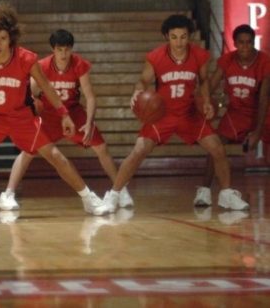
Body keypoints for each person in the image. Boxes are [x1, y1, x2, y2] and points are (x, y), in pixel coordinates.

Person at [0, 3, 110, 216]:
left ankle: (88, 198)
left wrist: (64, 114)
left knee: (56, 156)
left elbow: (46, 87)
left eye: (3, 38)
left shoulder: (26, 58)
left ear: (11, 38)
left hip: (22, 118)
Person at [103, 14, 249, 212]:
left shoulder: (199, 55)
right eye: (174, 37)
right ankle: (113, 195)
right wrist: (138, 91)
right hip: (162, 114)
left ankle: (226, 195)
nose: (179, 42)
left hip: (189, 113)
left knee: (217, 148)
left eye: (183, 37)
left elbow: (204, 80)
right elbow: (144, 80)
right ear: (166, 37)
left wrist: (206, 101)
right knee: (138, 151)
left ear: (189, 36)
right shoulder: (156, 57)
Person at [2, 29, 133, 210]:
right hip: (49, 115)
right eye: (59, 50)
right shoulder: (42, 66)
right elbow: (30, 95)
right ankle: (8, 194)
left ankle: (120, 190)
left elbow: (90, 96)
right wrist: (32, 111)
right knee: (28, 151)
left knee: (101, 148)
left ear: (71, 49)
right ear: (53, 49)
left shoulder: (79, 64)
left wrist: (89, 122)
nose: (63, 54)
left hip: (73, 114)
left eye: (67, 49)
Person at [197, 24, 270, 205]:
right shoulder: (227, 60)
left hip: (264, 112)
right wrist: (203, 102)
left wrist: (257, 132)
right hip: (237, 113)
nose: (245, 46)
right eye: (241, 42)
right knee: (215, 145)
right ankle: (204, 191)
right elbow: (211, 86)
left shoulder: (264, 61)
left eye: (249, 42)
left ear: (254, 43)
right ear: (235, 43)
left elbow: (264, 99)